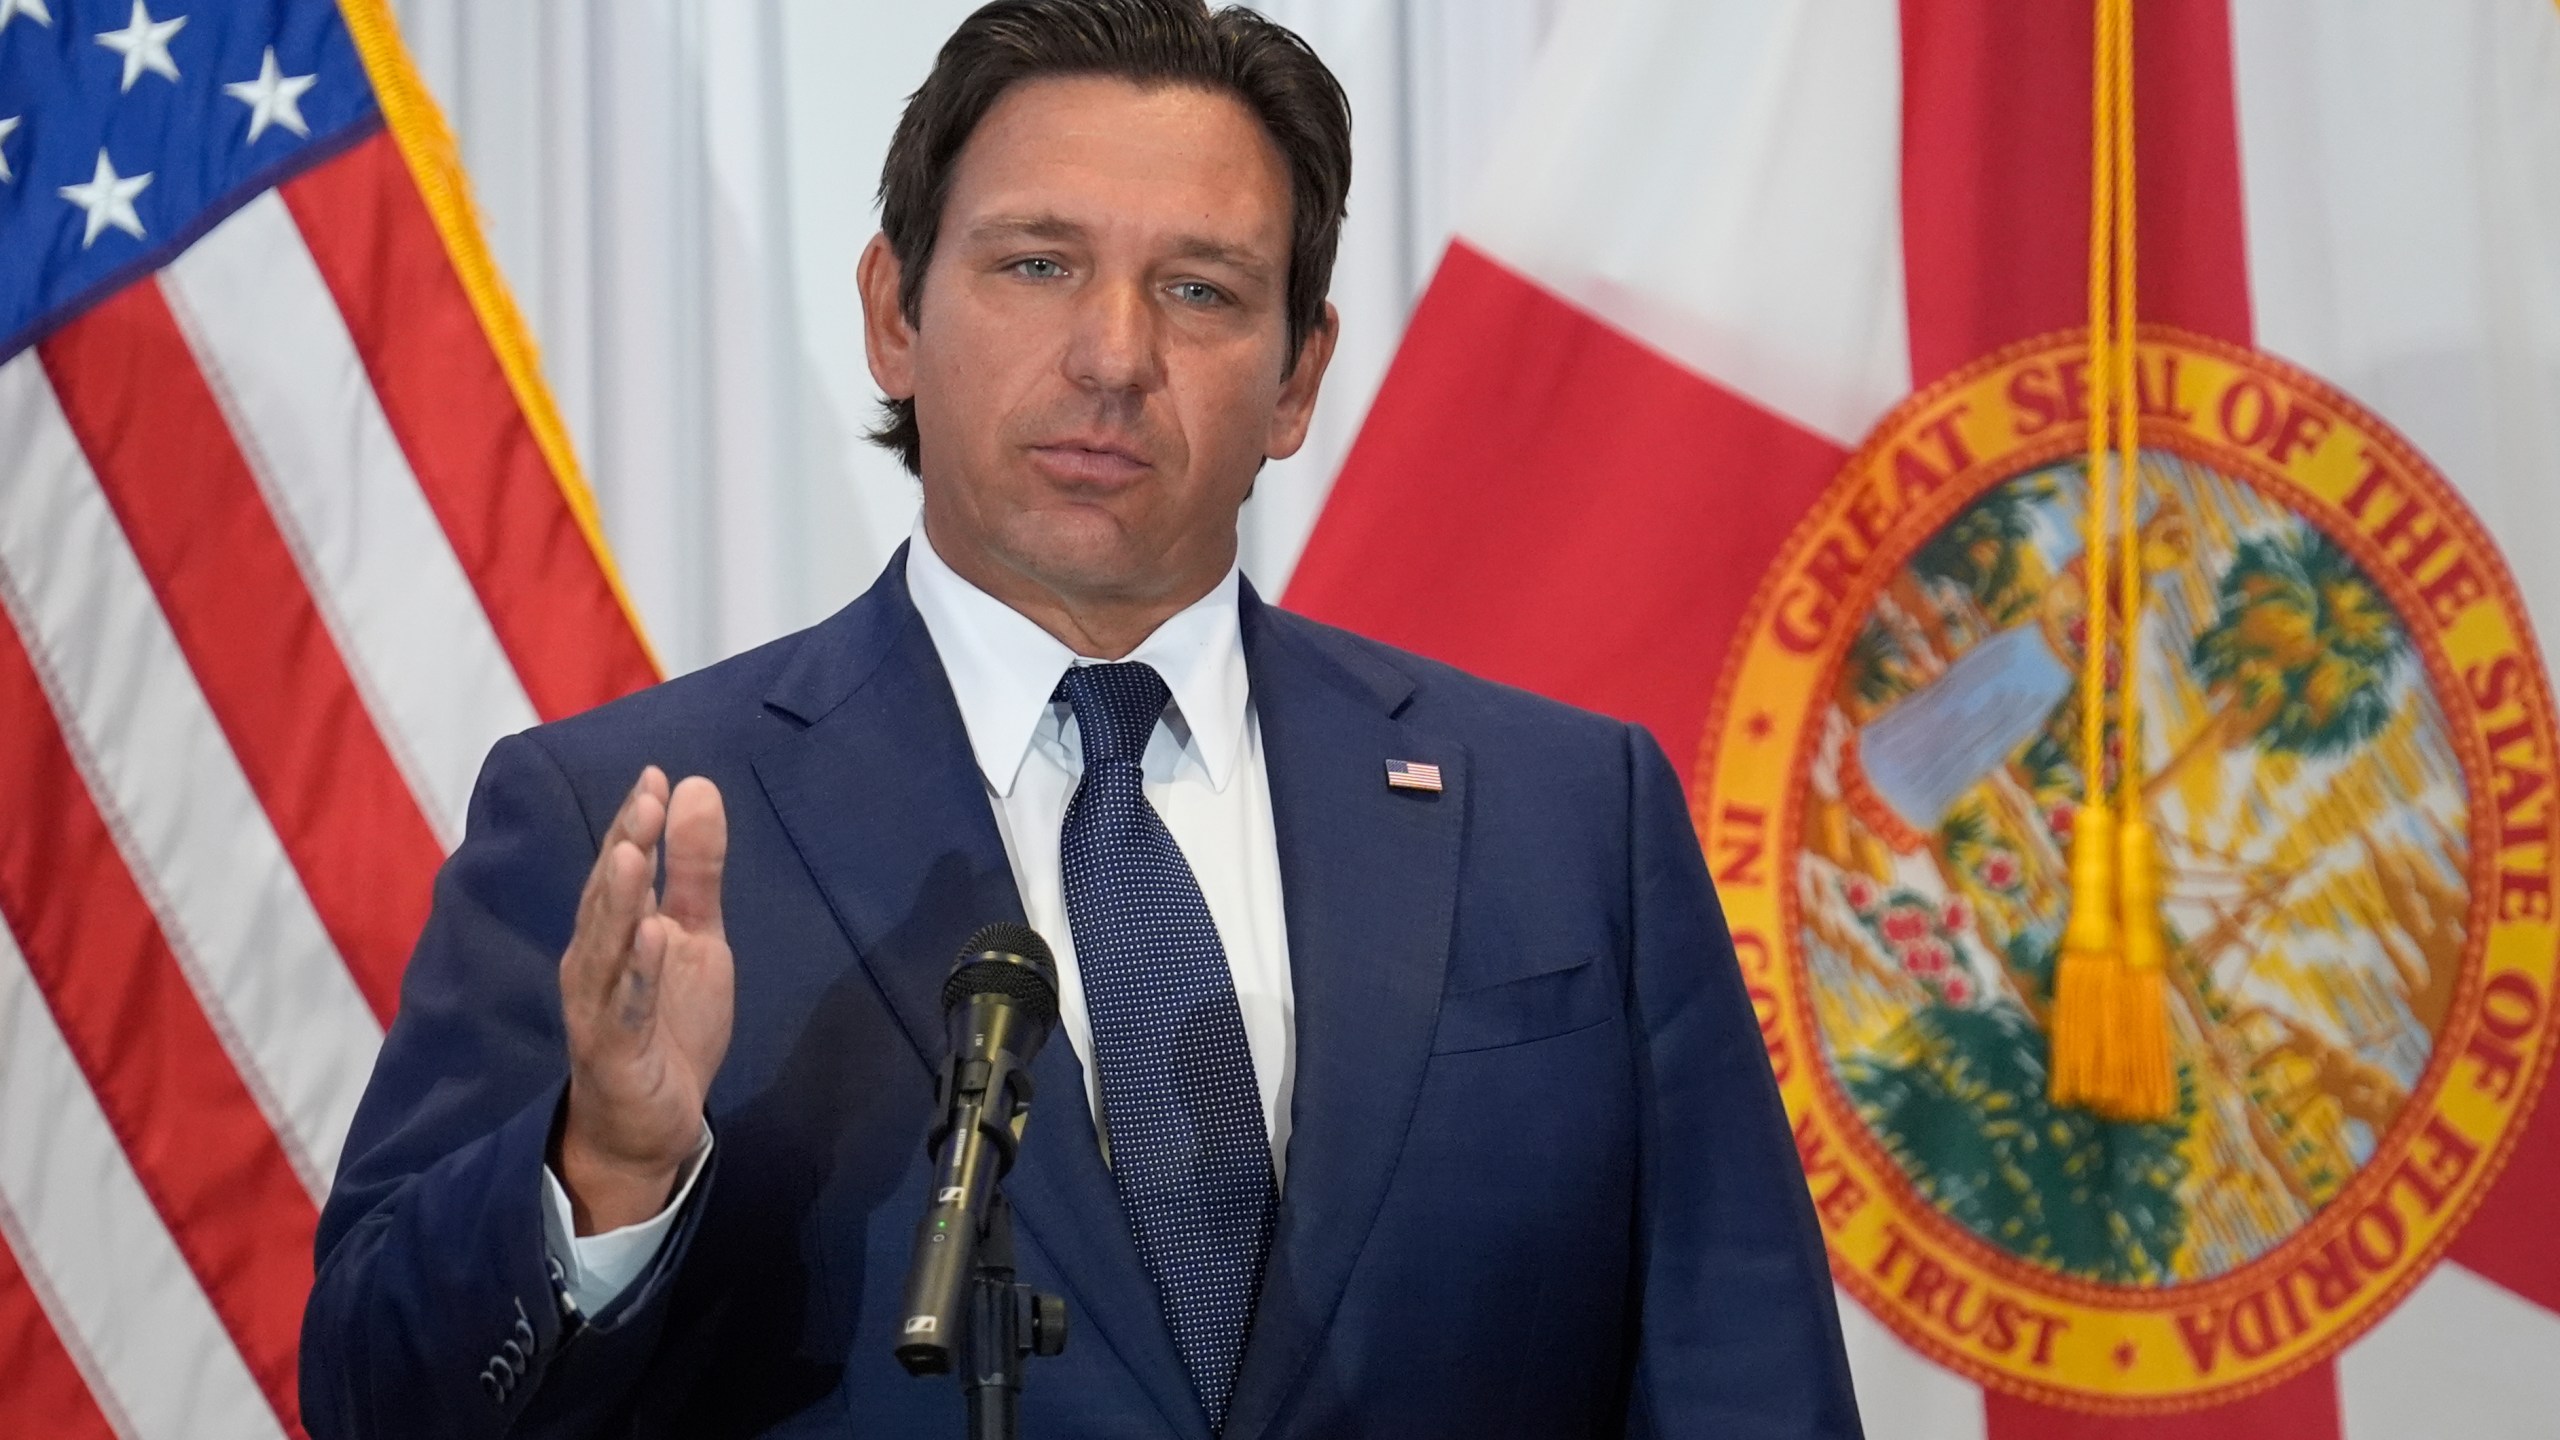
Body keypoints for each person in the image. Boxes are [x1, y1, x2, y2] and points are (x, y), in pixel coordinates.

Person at [299, 2, 1862, 1435]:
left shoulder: (1571, 814)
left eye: (1200, 289)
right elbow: (379, 1402)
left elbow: (1748, 1391)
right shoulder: (616, 822)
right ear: (895, 314)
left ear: (1298, 377)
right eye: (1037, 263)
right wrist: (606, 1171)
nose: (1116, 357)